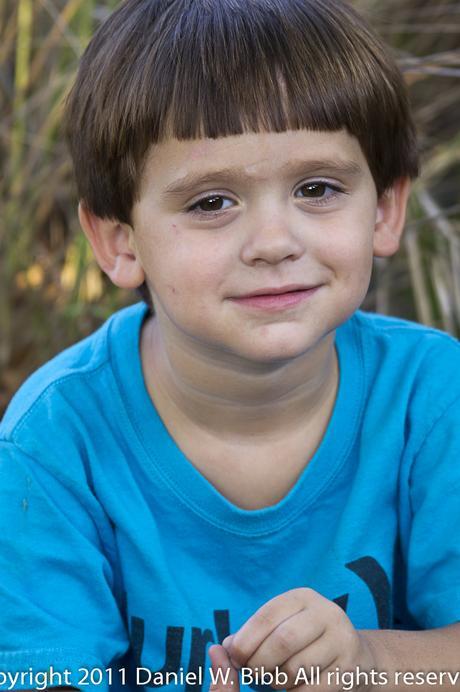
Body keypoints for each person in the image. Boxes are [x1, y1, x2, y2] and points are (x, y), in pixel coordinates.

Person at [1, 1, 459, 691]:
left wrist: (372, 664)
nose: (275, 243)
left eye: (317, 188)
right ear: (119, 241)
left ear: (385, 210)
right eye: (211, 202)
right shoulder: (54, 444)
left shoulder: (435, 397)